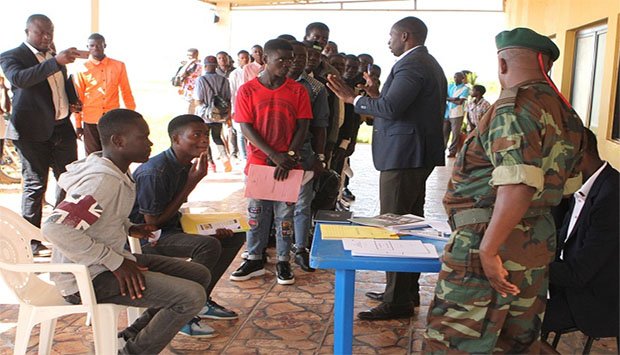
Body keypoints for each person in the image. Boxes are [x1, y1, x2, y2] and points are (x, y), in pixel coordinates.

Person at [423, 27, 585, 353]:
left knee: (455, 343)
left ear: (503, 64)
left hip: (491, 239)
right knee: (516, 343)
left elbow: (518, 184)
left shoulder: (512, 107)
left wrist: (488, 249)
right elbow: (568, 187)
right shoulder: (567, 115)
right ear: (546, 65)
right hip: (535, 242)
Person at [42, 109, 216, 354]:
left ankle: (130, 336)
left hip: (106, 263)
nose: (150, 143)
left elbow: (100, 215)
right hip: (85, 278)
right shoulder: (102, 181)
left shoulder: (117, 171)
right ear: (119, 141)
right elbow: (55, 228)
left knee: (198, 274)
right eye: (142, 137)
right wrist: (115, 262)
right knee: (191, 297)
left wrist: (129, 227)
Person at [327, 16, 447, 320]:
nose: (388, 41)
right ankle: (405, 291)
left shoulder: (412, 65)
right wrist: (376, 94)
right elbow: (398, 107)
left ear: (405, 36)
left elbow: (392, 110)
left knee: (395, 226)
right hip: (413, 154)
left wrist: (352, 99)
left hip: (405, 156)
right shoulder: (422, 62)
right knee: (410, 222)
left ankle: (397, 302)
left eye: (391, 36)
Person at [130, 114, 245, 337]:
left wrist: (208, 228)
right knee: (207, 247)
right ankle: (181, 311)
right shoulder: (155, 172)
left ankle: (200, 300)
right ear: (176, 139)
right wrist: (192, 183)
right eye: (196, 135)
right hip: (145, 238)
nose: (204, 140)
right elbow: (152, 224)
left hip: (171, 228)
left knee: (234, 235)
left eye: (205, 134)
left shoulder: (183, 164)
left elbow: (172, 212)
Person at [230, 38, 312, 285]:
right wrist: (272, 154)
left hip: (287, 164)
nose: (287, 65)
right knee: (256, 213)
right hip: (259, 163)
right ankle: (254, 257)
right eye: (281, 60)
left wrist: (287, 155)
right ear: (265, 60)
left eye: (291, 60)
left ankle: (284, 261)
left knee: (285, 215)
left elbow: (303, 125)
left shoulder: (298, 90)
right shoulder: (247, 90)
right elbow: (245, 126)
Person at [0, 14, 82, 256]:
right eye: (41, 33)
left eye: (50, 32)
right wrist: (55, 61)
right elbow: (21, 79)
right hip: (30, 132)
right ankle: (31, 240)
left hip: (62, 128)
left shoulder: (54, 57)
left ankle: (60, 231)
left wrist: (73, 100)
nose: (47, 37)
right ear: (27, 32)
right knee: (36, 185)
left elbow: (59, 85)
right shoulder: (12, 56)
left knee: (69, 181)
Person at [542, 128, 619, 340]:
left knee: (519, 323)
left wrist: (532, 265)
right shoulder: (586, 189)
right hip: (571, 288)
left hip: (595, 301)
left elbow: (579, 273)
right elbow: (562, 240)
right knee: (509, 308)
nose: (556, 167)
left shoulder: (611, 197)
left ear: (579, 154)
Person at [287, 40, 329, 272]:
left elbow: (321, 125)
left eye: (302, 58)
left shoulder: (315, 87)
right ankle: (260, 251)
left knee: (302, 203)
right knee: (268, 204)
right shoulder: (265, 83)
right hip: (270, 156)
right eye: (293, 57)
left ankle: (300, 248)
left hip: (304, 153)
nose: (297, 62)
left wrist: (320, 156)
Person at [74, 33, 135, 155]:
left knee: (113, 154)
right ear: (88, 47)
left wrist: (131, 117)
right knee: (92, 157)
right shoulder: (82, 68)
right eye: (92, 45)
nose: (95, 48)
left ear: (105, 45)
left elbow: (126, 92)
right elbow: (78, 99)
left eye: (99, 45)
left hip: (111, 119)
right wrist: (78, 124)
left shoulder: (118, 65)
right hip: (90, 119)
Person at [194, 55, 232, 173]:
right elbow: (227, 98)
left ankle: (211, 164)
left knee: (205, 139)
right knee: (217, 137)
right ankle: (225, 159)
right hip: (219, 115)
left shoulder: (201, 80)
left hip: (204, 115)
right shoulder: (224, 80)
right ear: (216, 66)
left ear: (205, 66)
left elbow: (198, 100)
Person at [229, 49, 251, 160]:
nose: (245, 60)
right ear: (238, 60)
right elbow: (232, 92)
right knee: (241, 132)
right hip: (238, 105)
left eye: (247, 57)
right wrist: (233, 109)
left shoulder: (252, 70)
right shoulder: (234, 74)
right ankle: (244, 157)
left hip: (251, 105)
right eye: (242, 58)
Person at [443, 71, 470, 157]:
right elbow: (444, 97)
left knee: (455, 134)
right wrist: (454, 99)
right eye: (454, 77)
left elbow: (460, 102)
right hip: (447, 113)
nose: (455, 78)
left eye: (457, 77)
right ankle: (441, 150)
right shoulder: (450, 86)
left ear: (462, 78)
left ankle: (452, 151)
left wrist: (449, 99)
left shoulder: (465, 89)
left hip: (457, 114)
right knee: (444, 132)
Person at [175, 48, 202, 114]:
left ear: (196, 55)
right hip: (185, 92)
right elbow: (180, 75)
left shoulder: (199, 66)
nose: (189, 57)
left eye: (191, 55)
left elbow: (182, 74)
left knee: (189, 112)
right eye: (188, 55)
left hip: (192, 92)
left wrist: (189, 63)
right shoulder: (186, 65)